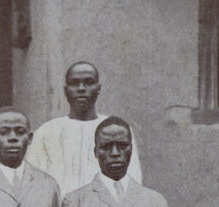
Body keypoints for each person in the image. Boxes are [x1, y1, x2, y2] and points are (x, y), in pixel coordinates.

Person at [25, 61, 142, 196]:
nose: (81, 88)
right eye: (75, 83)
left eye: (88, 82)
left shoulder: (116, 130)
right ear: (65, 90)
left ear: (98, 88)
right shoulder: (46, 132)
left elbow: (132, 178)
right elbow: (34, 181)